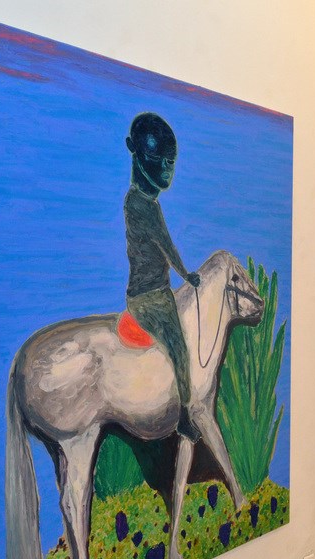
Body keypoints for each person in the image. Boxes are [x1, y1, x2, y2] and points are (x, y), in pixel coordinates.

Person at [123, 111, 202, 442]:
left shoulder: (138, 201)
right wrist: (187, 275)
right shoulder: (143, 205)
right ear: (135, 152)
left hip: (145, 292)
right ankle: (184, 415)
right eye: (159, 160)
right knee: (180, 347)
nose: (167, 169)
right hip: (152, 295)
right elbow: (165, 245)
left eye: (171, 162)